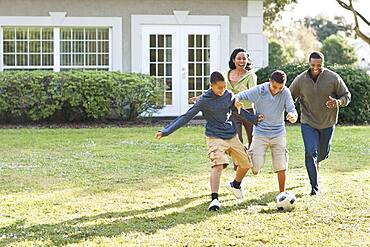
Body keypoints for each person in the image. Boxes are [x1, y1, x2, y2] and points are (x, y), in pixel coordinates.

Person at [155, 71, 263, 211]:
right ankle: (215, 199)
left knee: (246, 164)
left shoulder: (228, 95)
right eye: (219, 88)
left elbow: (237, 111)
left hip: (231, 135)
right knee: (218, 164)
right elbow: (186, 116)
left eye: (224, 87)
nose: (222, 90)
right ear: (211, 86)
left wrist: (254, 119)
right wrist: (167, 131)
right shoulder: (204, 100)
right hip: (214, 136)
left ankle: (235, 185)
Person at [289, 51, 351, 196]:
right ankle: (314, 187)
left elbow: (346, 95)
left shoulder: (333, 78)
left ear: (323, 63)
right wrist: (290, 111)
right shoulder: (301, 80)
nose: (315, 68)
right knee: (310, 153)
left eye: (319, 65)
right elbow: (289, 96)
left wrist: (338, 102)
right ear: (309, 64)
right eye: (313, 65)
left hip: (328, 123)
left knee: (321, 153)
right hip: (308, 122)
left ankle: (319, 159)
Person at [235, 70, 297, 193]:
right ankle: (248, 150)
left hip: (278, 133)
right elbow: (239, 96)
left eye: (280, 88)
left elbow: (292, 110)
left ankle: (282, 194)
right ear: (270, 81)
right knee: (255, 169)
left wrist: (292, 116)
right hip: (260, 133)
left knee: (281, 166)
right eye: (274, 87)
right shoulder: (260, 90)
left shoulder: (285, 92)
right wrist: (237, 101)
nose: (277, 90)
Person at [226, 48, 257, 148]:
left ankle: (252, 162)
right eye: (239, 58)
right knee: (237, 141)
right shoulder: (226, 74)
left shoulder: (250, 76)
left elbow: (254, 95)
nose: (242, 61)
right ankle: (238, 163)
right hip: (233, 112)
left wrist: (245, 92)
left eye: (244, 59)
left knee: (252, 140)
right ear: (233, 60)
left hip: (248, 112)